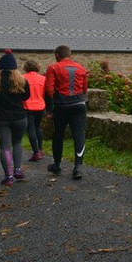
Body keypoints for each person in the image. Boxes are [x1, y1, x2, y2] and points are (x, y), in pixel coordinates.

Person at [0, 49, 30, 186]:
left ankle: (8, 176)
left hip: (1, 118)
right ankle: (18, 170)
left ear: (0, 66)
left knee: (5, 147)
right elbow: (26, 97)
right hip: (20, 117)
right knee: (17, 143)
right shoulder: (22, 81)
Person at [44, 44, 88, 180]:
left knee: (58, 135)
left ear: (57, 55)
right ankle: (78, 167)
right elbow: (85, 89)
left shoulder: (53, 68)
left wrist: (49, 109)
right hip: (79, 105)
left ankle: (57, 165)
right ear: (69, 54)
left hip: (62, 106)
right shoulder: (81, 68)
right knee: (79, 135)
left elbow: (48, 90)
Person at [22, 59, 47, 161]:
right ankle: (40, 150)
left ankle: (36, 152)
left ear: (25, 68)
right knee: (37, 128)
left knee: (30, 129)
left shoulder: (22, 78)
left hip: (27, 107)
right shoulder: (43, 79)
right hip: (40, 107)